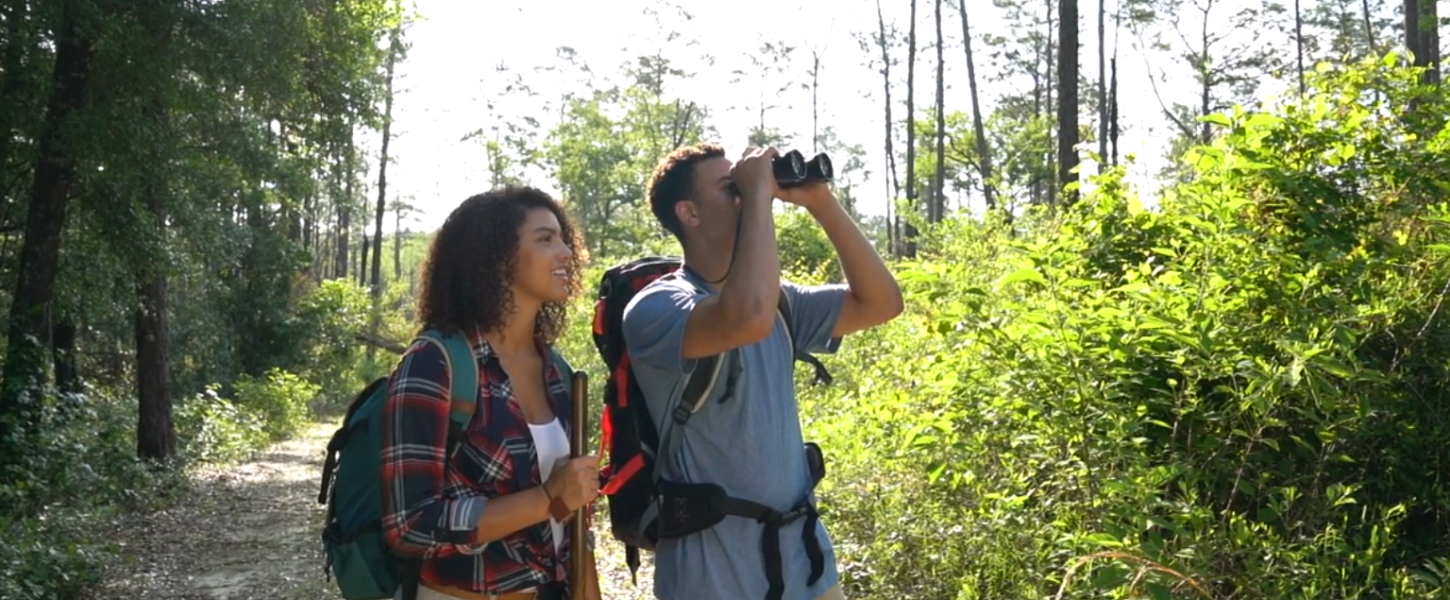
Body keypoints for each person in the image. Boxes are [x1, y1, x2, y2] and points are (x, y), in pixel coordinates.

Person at [621, 144, 904, 600]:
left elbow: (882, 303)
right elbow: (746, 316)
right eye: (730, 187)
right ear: (688, 213)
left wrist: (819, 201)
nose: (748, 194)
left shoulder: (780, 301)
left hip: (806, 564)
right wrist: (757, 198)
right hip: (713, 574)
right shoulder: (656, 308)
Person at [379, 186, 602, 600]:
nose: (566, 252)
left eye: (562, 237)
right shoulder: (436, 363)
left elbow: (574, 514)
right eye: (544, 239)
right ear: (497, 257)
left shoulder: (559, 372)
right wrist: (546, 497)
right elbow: (408, 526)